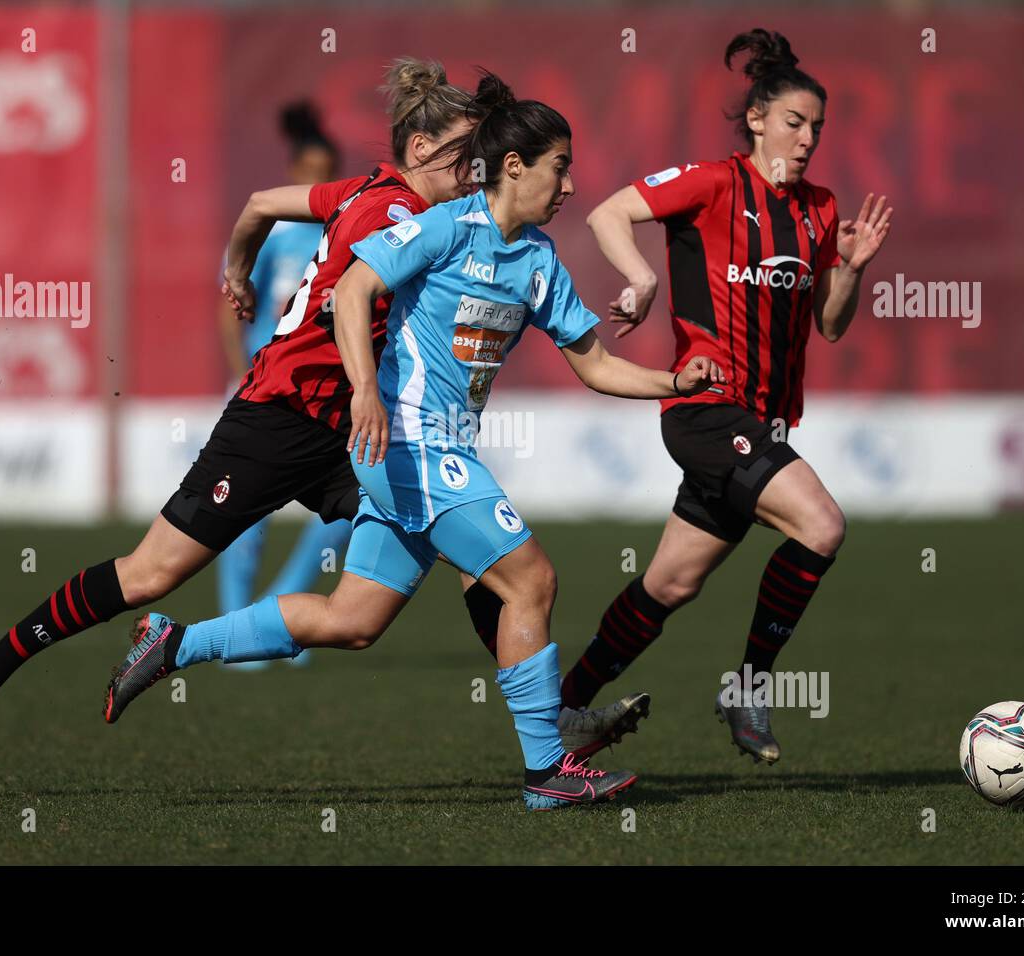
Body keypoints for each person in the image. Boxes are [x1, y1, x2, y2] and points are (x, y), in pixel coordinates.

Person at [105, 72, 726, 811]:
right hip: (411, 447)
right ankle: (548, 771)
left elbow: (593, 363)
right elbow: (356, 290)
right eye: (560, 167)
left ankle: (173, 643)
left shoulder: (536, 262)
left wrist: (673, 383)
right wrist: (365, 390)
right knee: (531, 579)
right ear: (516, 166)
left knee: (352, 620)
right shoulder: (443, 227)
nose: (569, 185)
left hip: (436, 454)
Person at [558, 28, 893, 764]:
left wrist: (853, 272)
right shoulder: (712, 183)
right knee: (823, 526)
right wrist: (640, 279)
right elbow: (607, 213)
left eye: (817, 128)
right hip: (705, 412)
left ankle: (564, 710)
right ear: (758, 121)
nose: (806, 140)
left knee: (669, 584)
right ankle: (748, 688)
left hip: (758, 423)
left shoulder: (821, 210)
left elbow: (830, 328)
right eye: (794, 123)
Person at [214, 102, 349, 670]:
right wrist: (236, 368)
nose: (318, 181)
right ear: (295, 171)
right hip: (266, 382)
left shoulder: (351, 227)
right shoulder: (274, 229)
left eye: (328, 170)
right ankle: (233, 629)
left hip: (326, 393)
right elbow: (233, 299)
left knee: (350, 513)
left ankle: (282, 612)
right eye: (310, 169)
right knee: (241, 511)